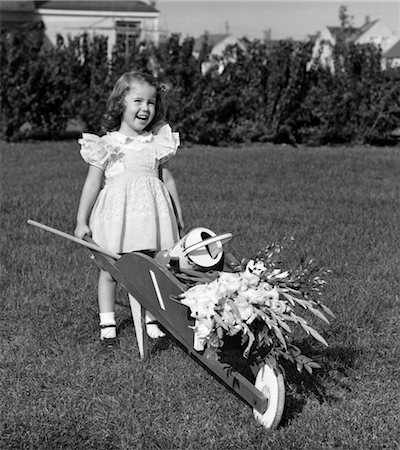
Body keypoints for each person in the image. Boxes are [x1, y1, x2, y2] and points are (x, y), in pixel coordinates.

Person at [74, 71, 184, 347]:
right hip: (118, 218)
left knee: (153, 268)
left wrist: (178, 213)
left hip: (153, 217)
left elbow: (166, 178)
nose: (145, 108)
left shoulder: (156, 142)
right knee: (112, 269)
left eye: (151, 102)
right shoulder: (107, 144)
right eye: (138, 101)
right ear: (121, 101)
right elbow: (92, 183)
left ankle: (152, 320)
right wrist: (81, 220)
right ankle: (108, 322)